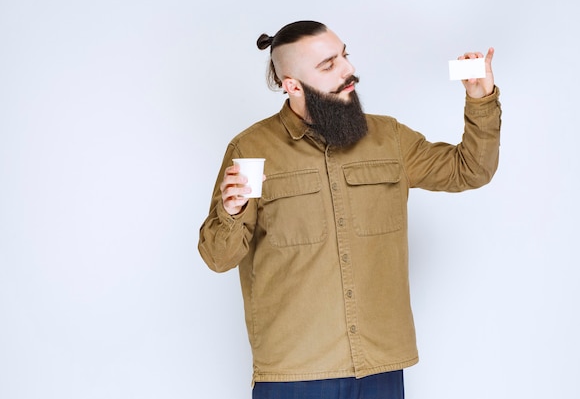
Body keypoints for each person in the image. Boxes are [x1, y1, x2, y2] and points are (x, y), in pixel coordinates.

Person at [198, 20, 501, 399]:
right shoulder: (252, 150)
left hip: (380, 364)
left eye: (344, 56)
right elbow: (218, 258)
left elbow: (469, 170)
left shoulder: (388, 138)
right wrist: (230, 210)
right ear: (292, 85)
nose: (347, 71)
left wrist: (480, 100)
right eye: (328, 65)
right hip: (295, 371)